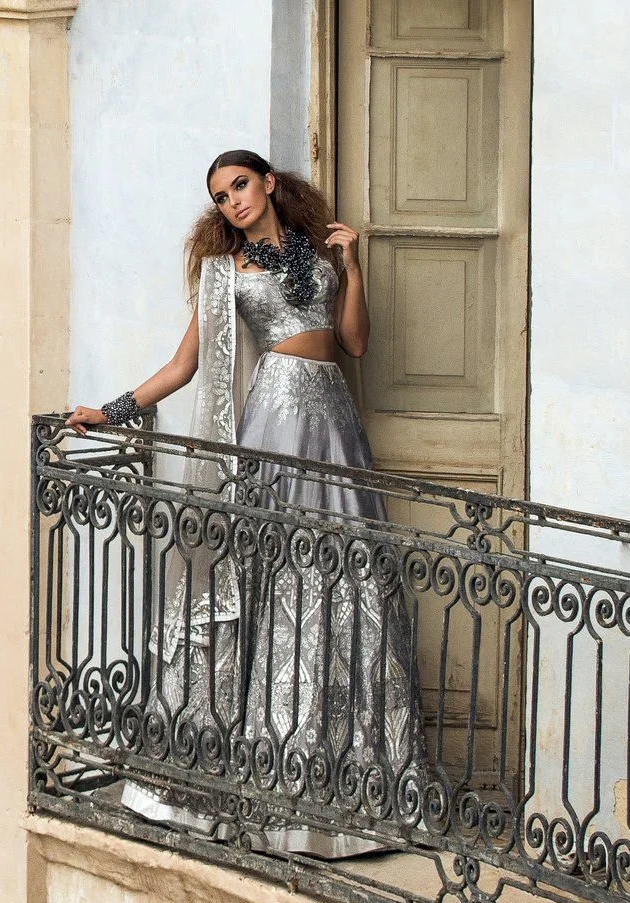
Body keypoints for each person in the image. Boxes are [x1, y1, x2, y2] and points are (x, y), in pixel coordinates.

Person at [65, 150, 426, 858]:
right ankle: (260, 779)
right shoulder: (227, 275)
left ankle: (344, 790)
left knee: (345, 586)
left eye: (239, 185)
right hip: (274, 428)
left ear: (267, 184)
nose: (231, 200)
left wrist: (351, 270)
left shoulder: (318, 259)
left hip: (334, 428)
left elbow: (353, 342)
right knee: (272, 586)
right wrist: (108, 411)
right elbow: (184, 365)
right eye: (220, 194)